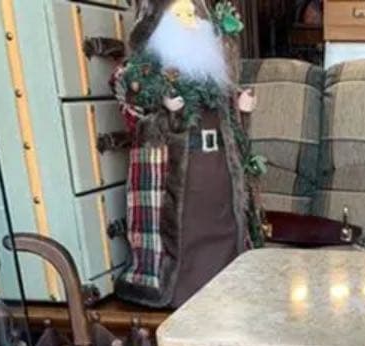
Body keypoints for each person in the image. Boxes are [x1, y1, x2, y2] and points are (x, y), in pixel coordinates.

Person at [113, 0, 265, 308]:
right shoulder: (144, 71)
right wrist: (163, 104)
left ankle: (228, 285)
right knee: (184, 232)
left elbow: (228, 118)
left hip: (218, 172)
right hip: (179, 175)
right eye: (180, 15)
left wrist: (240, 106)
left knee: (223, 229)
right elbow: (133, 104)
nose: (190, 22)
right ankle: (181, 290)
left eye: (193, 14)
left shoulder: (212, 75)